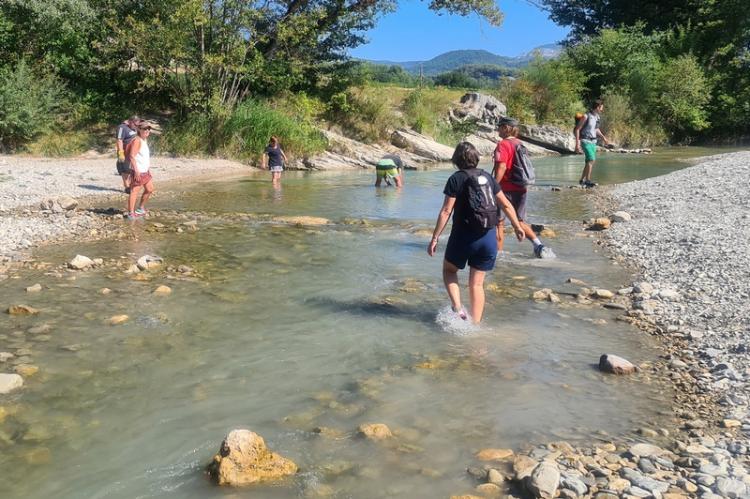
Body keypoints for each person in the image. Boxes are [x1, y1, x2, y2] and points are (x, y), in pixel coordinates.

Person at [427, 142, 525, 324]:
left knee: (449, 270)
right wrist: (517, 226)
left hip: (463, 237)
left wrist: (435, 238)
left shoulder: (456, 179)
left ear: (456, 160)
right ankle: (475, 326)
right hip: (488, 238)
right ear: (477, 158)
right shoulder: (488, 177)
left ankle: (458, 309)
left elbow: (446, 211)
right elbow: (505, 204)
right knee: (477, 284)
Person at [493, 117, 555, 258]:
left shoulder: (503, 144)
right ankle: (538, 245)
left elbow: (502, 166)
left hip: (504, 189)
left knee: (499, 223)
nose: (497, 129)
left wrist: (493, 185)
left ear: (505, 128)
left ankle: (498, 256)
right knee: (520, 221)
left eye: (499, 126)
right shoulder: (519, 143)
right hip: (521, 187)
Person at [574, 99, 611, 188]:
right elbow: (577, 129)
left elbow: (596, 129)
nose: (602, 109)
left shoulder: (597, 117)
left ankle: (582, 180)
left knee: (588, 161)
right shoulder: (586, 116)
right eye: (601, 107)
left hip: (593, 142)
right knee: (591, 159)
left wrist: (604, 138)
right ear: (598, 107)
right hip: (585, 141)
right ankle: (588, 181)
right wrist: (577, 143)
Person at [125, 122, 155, 220]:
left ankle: (140, 208)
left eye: (148, 129)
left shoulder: (144, 140)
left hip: (145, 171)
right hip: (138, 171)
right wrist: (136, 171)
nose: (146, 131)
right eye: (144, 129)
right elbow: (132, 156)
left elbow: (144, 157)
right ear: (139, 130)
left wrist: (148, 169)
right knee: (134, 191)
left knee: (150, 189)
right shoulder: (137, 140)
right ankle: (131, 213)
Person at [115, 116, 140, 193]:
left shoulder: (134, 127)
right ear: (130, 121)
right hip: (125, 152)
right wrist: (121, 153)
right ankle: (127, 187)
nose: (136, 126)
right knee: (126, 170)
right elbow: (119, 140)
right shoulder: (122, 127)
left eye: (137, 124)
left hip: (134, 152)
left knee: (131, 169)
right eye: (135, 124)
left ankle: (130, 185)